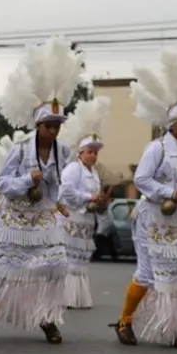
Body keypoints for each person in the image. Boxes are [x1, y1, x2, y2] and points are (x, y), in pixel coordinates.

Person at [0, 36, 84, 344]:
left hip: (44, 219)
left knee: (54, 266)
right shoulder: (19, 151)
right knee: (7, 272)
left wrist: (65, 202)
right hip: (17, 221)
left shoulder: (64, 152)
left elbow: (64, 186)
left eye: (57, 125)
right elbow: (2, 184)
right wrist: (26, 181)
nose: (54, 130)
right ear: (37, 125)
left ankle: (46, 319)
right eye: (49, 125)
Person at [110, 36, 177, 349]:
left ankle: (174, 327)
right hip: (152, 219)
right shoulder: (156, 147)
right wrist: (170, 191)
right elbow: (142, 179)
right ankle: (125, 321)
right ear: (172, 122)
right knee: (147, 273)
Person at [57, 96, 112, 309]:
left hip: (86, 222)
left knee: (81, 260)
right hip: (72, 220)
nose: (93, 156)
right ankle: (66, 296)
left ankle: (78, 296)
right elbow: (66, 191)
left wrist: (100, 202)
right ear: (80, 153)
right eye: (89, 151)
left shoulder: (94, 173)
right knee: (70, 261)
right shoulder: (73, 169)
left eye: (95, 152)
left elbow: (94, 195)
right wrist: (90, 198)